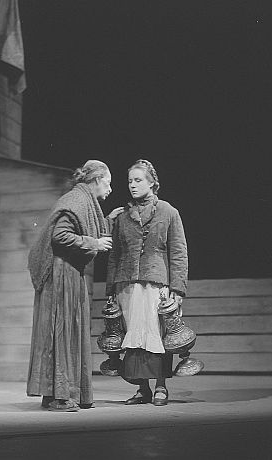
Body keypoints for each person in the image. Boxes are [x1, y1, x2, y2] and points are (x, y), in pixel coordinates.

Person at [27, 160, 123, 412]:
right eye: (108, 182)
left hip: (67, 273)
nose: (110, 189)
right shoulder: (76, 201)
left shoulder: (83, 201)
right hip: (60, 275)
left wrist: (108, 221)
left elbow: (86, 225)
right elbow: (61, 236)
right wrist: (94, 243)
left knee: (64, 331)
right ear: (95, 180)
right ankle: (59, 396)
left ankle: (55, 394)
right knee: (62, 331)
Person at [105, 159, 188, 406]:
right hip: (127, 283)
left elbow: (178, 252)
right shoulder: (122, 217)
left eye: (138, 180)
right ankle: (142, 389)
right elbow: (114, 255)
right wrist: (110, 289)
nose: (132, 185)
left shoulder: (169, 212)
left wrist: (178, 288)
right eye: (130, 181)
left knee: (158, 335)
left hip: (157, 282)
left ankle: (161, 386)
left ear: (152, 183)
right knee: (133, 336)